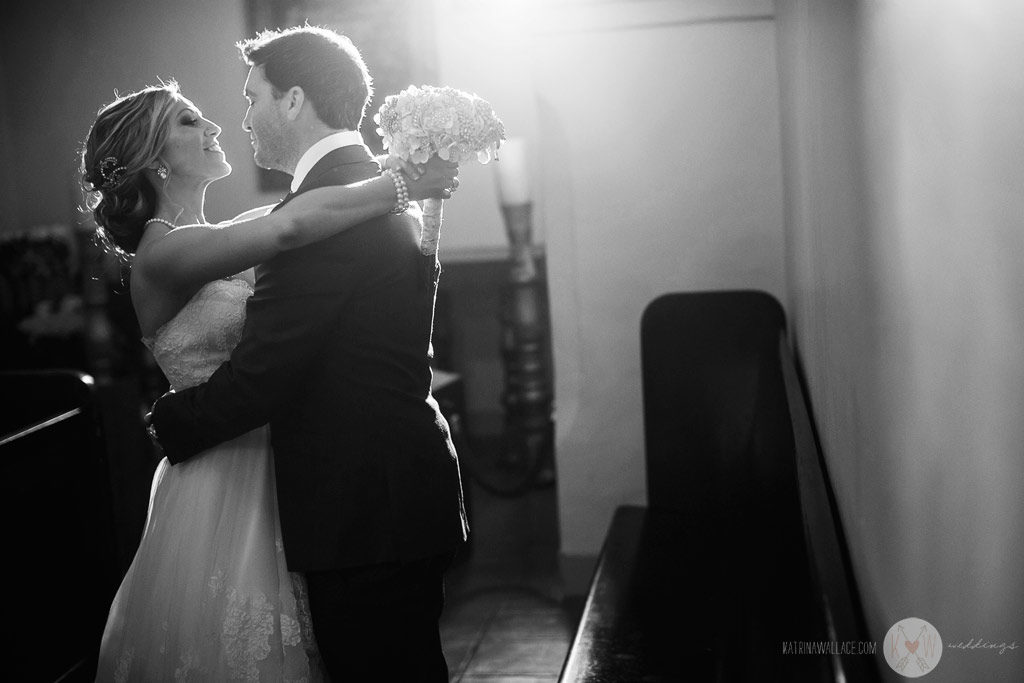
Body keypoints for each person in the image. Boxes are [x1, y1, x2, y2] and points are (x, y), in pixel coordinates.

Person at [85, 78, 458, 681]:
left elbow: (306, 213)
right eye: (188, 122)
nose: (212, 127)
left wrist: (411, 160)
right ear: (153, 160)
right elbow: (289, 229)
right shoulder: (159, 257)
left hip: (290, 466)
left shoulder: (231, 231)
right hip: (220, 471)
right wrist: (401, 184)